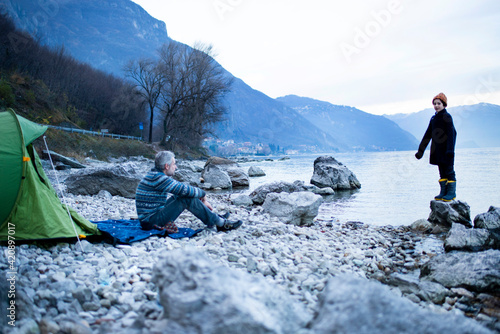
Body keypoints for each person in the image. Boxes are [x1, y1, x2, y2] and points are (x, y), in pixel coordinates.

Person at [136, 151, 242, 232]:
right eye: (174, 164)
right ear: (166, 166)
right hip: (151, 222)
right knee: (186, 197)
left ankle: (214, 218)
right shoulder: (159, 179)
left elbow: (181, 190)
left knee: (181, 196)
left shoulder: (154, 175)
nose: (176, 167)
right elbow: (185, 190)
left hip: (150, 219)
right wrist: (204, 196)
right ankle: (220, 223)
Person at [415, 92, 457, 201]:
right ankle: (443, 192)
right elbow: (427, 135)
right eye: (435, 103)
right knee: (442, 171)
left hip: (447, 151)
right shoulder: (433, 119)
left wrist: (450, 150)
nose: (436, 105)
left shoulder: (447, 117)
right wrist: (420, 151)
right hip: (437, 150)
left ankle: (451, 193)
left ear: (444, 104)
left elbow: (452, 133)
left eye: (439, 103)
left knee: (449, 171)